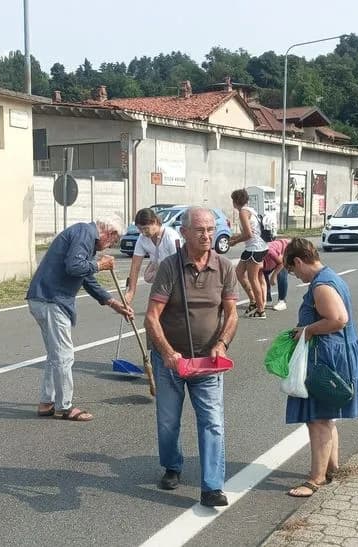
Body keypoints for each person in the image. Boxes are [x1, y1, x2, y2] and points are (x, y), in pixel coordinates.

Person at [144, 207, 239, 507]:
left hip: (208, 362)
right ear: (184, 232)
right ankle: (172, 465)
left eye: (210, 229)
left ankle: (212, 486)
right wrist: (167, 352)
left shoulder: (224, 267)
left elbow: (232, 313)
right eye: (199, 229)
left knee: (212, 421)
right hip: (171, 361)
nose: (207, 235)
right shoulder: (170, 267)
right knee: (169, 421)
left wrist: (222, 343)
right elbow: (151, 317)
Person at [282, 238, 358, 497]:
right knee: (326, 416)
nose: (295, 275)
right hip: (340, 352)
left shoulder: (321, 285)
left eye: (292, 270)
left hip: (330, 357)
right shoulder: (330, 277)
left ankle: (316, 479)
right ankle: (332, 468)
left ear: (298, 261)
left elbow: (338, 319)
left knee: (318, 419)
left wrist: (305, 330)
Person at [26, 216, 133, 422]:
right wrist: (99, 265)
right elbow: (74, 267)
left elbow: (86, 278)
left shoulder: (84, 238)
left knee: (55, 355)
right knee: (65, 355)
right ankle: (64, 406)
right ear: (108, 233)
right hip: (52, 299)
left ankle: (47, 402)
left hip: (44, 298)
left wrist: (114, 303)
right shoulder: (85, 233)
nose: (109, 247)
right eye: (112, 242)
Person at [124, 208, 181, 306]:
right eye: (140, 229)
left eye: (146, 228)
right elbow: (135, 266)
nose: (143, 232)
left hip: (175, 276)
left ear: (155, 222)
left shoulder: (170, 236)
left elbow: (179, 266)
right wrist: (131, 292)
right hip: (160, 276)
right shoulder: (142, 239)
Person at [228, 188, 268, 318]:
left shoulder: (243, 213)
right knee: (239, 273)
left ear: (235, 201)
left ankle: (261, 309)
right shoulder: (250, 210)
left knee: (253, 278)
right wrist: (236, 237)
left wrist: (235, 242)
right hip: (253, 247)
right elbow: (249, 231)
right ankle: (253, 300)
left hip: (255, 248)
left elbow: (249, 234)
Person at [261, 237, 289, 311]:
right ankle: (268, 299)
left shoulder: (269, 251)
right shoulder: (253, 257)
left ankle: (282, 301)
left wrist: (273, 276)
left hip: (284, 252)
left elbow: (281, 263)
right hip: (271, 261)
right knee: (262, 274)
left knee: (281, 273)